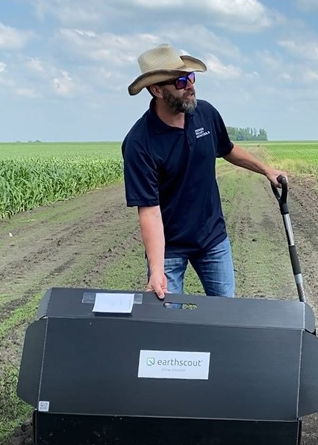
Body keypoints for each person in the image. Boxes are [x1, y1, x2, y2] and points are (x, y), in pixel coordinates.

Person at [122, 43, 287, 301]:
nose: (190, 85)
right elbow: (149, 211)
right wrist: (156, 270)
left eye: (191, 77)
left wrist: (266, 170)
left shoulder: (205, 113)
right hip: (170, 248)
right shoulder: (139, 143)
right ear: (157, 90)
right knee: (166, 317)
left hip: (212, 239)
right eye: (180, 81)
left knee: (225, 312)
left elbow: (227, 148)